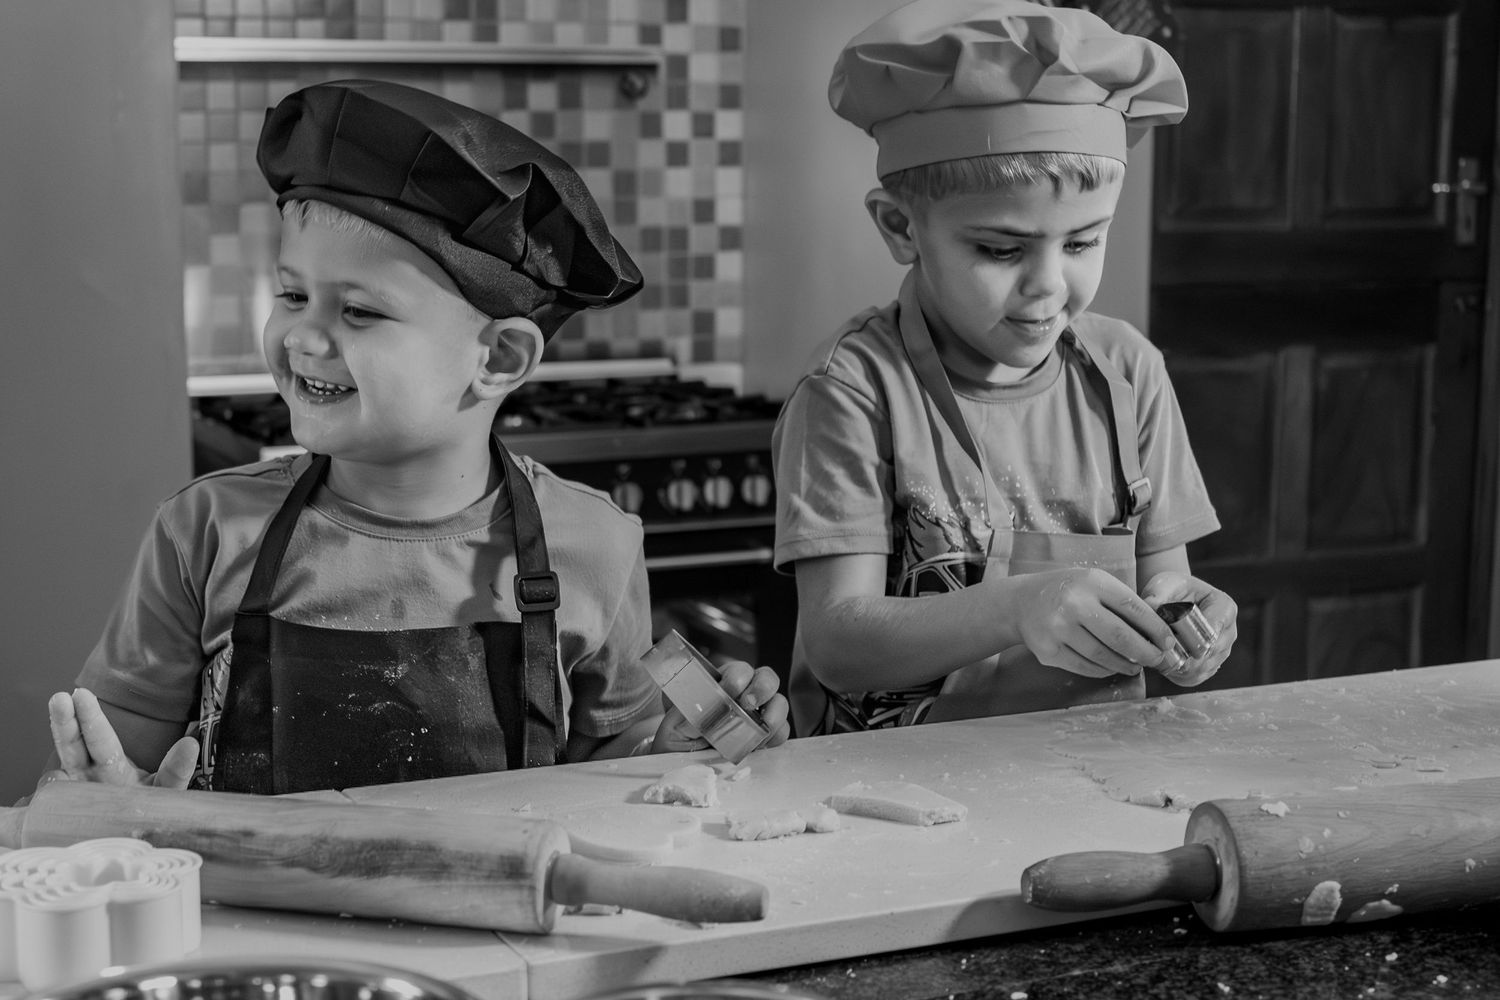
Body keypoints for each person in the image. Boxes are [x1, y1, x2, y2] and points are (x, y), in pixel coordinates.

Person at [39, 79, 789, 796]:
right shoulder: (203, 533)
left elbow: (609, 769)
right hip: (258, 926)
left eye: (359, 312)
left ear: (498, 358)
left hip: (498, 926)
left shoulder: (595, 543)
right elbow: (115, 764)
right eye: (293, 294)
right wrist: (112, 799)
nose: (304, 334)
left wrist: (681, 751)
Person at [772, 0, 1238, 736]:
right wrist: (1022, 605)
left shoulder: (1127, 372)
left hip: (1089, 773)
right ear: (901, 226)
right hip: (888, 800)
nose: (1050, 286)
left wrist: (1189, 619)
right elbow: (838, 643)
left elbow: (1163, 578)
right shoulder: (856, 389)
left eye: (1083, 243)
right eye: (1001, 250)